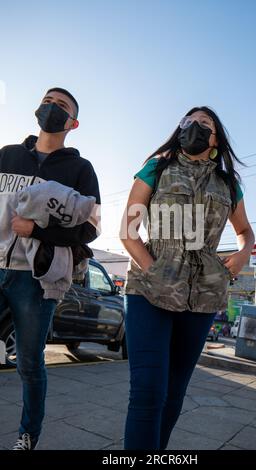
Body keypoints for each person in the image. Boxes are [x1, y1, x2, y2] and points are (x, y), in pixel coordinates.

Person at [120, 106, 255, 450]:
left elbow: (245, 232)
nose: (194, 126)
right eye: (188, 121)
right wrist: (154, 270)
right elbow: (128, 231)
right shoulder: (156, 168)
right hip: (148, 290)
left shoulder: (228, 183)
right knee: (148, 389)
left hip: (204, 294)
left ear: (215, 139)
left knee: (174, 391)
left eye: (204, 123)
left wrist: (241, 255)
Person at [0, 88, 101, 450]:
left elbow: (90, 228)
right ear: (36, 108)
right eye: (48, 101)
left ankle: (28, 435)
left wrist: (38, 230)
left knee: (28, 362)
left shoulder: (79, 169)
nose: (52, 108)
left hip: (36, 277)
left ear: (73, 123)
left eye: (62, 106)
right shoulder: (8, 155)